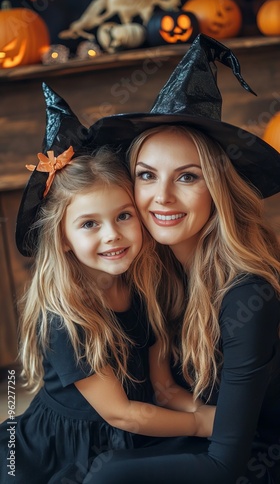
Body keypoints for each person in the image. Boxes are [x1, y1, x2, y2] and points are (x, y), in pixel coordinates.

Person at [82, 34, 280, 483]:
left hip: (252, 458)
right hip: (195, 436)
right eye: (147, 175)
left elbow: (225, 463)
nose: (162, 197)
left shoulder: (247, 294)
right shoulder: (151, 269)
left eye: (187, 177)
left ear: (217, 189)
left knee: (104, 476)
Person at [0, 84, 215, 484]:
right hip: (62, 447)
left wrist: (215, 417)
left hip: (131, 427)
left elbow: (163, 388)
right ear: (62, 238)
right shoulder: (67, 315)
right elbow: (123, 413)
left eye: (123, 216)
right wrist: (201, 426)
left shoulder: (143, 288)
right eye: (89, 224)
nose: (112, 235)